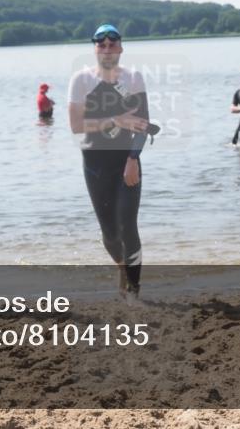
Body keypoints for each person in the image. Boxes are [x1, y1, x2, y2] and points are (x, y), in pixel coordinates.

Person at [68, 24, 151, 300]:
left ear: (120, 48)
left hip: (126, 162)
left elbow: (142, 124)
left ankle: (134, 292)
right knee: (111, 235)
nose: (107, 49)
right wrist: (115, 120)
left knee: (128, 225)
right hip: (94, 165)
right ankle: (121, 267)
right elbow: (76, 125)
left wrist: (133, 159)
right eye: (101, 44)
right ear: (94, 49)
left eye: (112, 44)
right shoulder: (80, 80)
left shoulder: (134, 77)